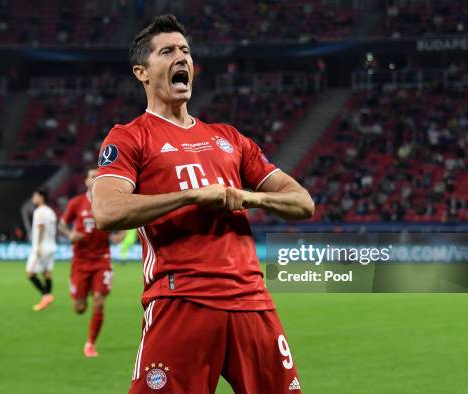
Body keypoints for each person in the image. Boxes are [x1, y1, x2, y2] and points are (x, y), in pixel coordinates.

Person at [91, 15, 314, 393]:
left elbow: (302, 202)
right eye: (168, 52)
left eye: (185, 51)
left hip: (253, 302)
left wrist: (247, 197)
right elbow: (107, 212)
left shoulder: (228, 138)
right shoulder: (129, 137)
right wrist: (192, 196)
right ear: (142, 72)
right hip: (182, 299)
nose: (181, 57)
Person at [59, 166, 125, 357]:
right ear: (86, 181)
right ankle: (83, 291)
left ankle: (90, 344)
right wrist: (70, 234)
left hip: (102, 260)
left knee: (99, 302)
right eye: (91, 176)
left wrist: (120, 234)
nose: (94, 178)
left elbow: (124, 222)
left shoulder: (108, 203)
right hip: (80, 261)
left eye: (98, 176)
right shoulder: (76, 203)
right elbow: (62, 225)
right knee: (79, 308)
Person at [26, 188, 57, 312]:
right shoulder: (51, 212)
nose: (33, 199)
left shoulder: (39, 212)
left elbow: (41, 227)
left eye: (35, 196)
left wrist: (37, 246)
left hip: (42, 247)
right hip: (51, 246)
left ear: (41, 197)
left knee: (30, 273)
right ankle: (47, 297)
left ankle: (46, 296)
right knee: (47, 273)